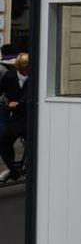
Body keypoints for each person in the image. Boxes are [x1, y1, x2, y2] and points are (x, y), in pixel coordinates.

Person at [0, 53, 29, 184]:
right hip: (17, 117)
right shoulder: (10, 76)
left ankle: (32, 167)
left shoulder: (35, 78)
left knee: (33, 144)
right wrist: (7, 102)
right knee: (3, 142)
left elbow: (33, 94)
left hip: (31, 116)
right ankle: (12, 169)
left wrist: (20, 102)